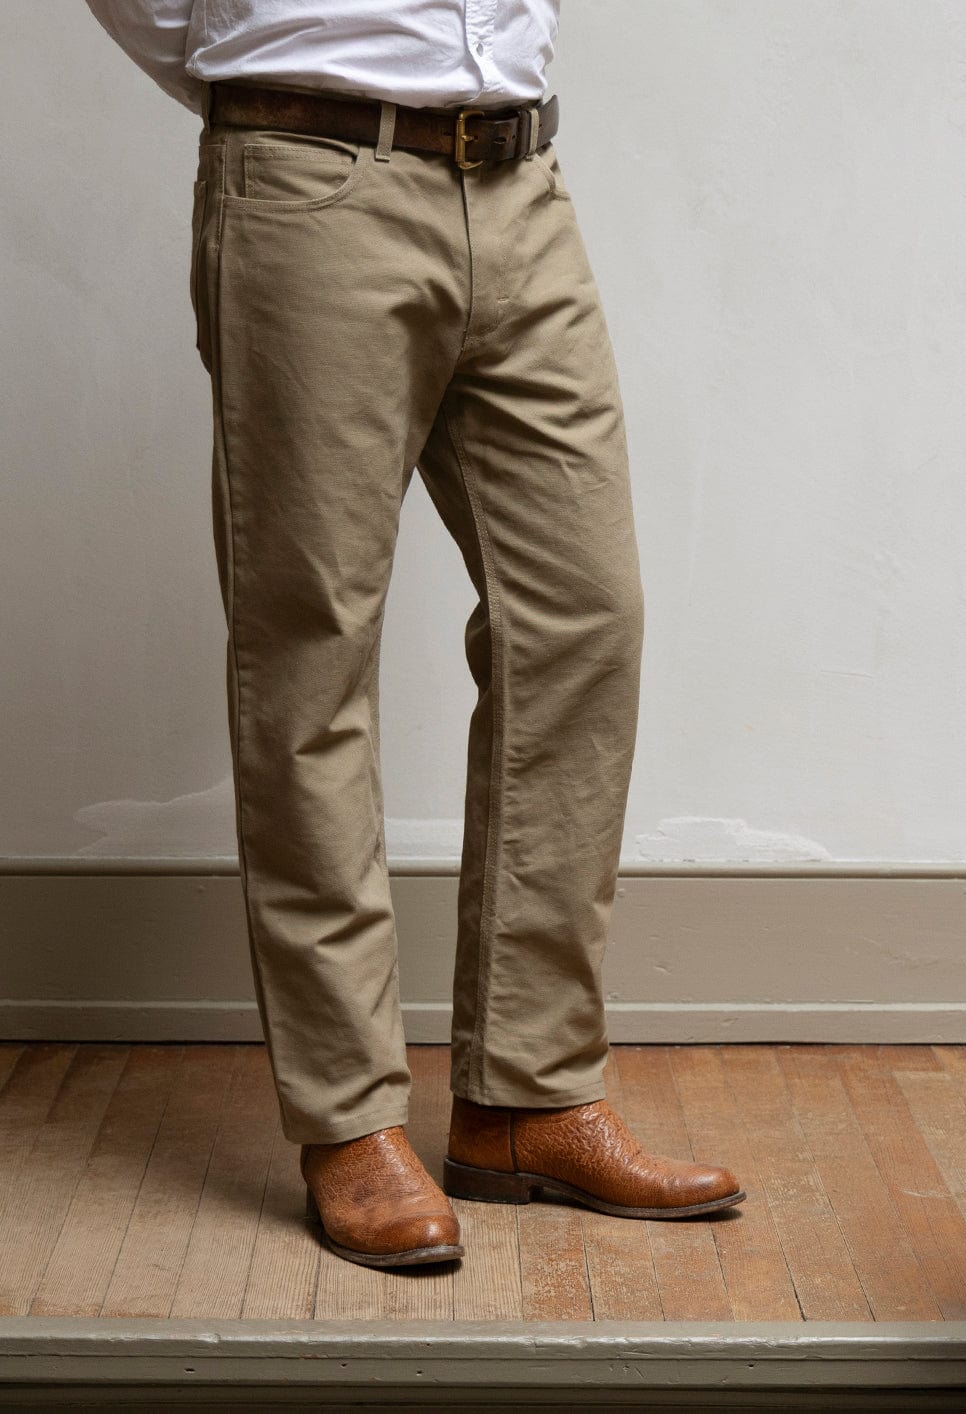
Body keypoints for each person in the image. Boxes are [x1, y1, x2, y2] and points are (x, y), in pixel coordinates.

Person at [84, 1, 745, 1268]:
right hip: (309, 172)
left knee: (585, 621)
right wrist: (256, 61)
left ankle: (527, 1095)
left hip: (518, 178)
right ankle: (347, 1116)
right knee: (310, 654)